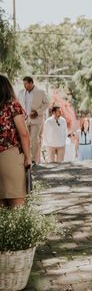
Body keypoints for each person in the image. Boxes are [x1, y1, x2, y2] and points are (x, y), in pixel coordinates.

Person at [0, 74, 31, 207]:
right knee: (17, 203)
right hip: (10, 155)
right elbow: (23, 134)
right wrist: (28, 158)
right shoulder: (12, 105)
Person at [17, 76, 50, 164]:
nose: (24, 86)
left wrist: (37, 112)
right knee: (25, 139)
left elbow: (47, 104)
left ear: (31, 83)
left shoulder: (40, 92)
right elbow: (18, 105)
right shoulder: (21, 93)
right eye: (23, 84)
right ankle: (26, 157)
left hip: (36, 120)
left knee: (34, 139)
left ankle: (33, 159)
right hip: (24, 120)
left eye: (26, 84)